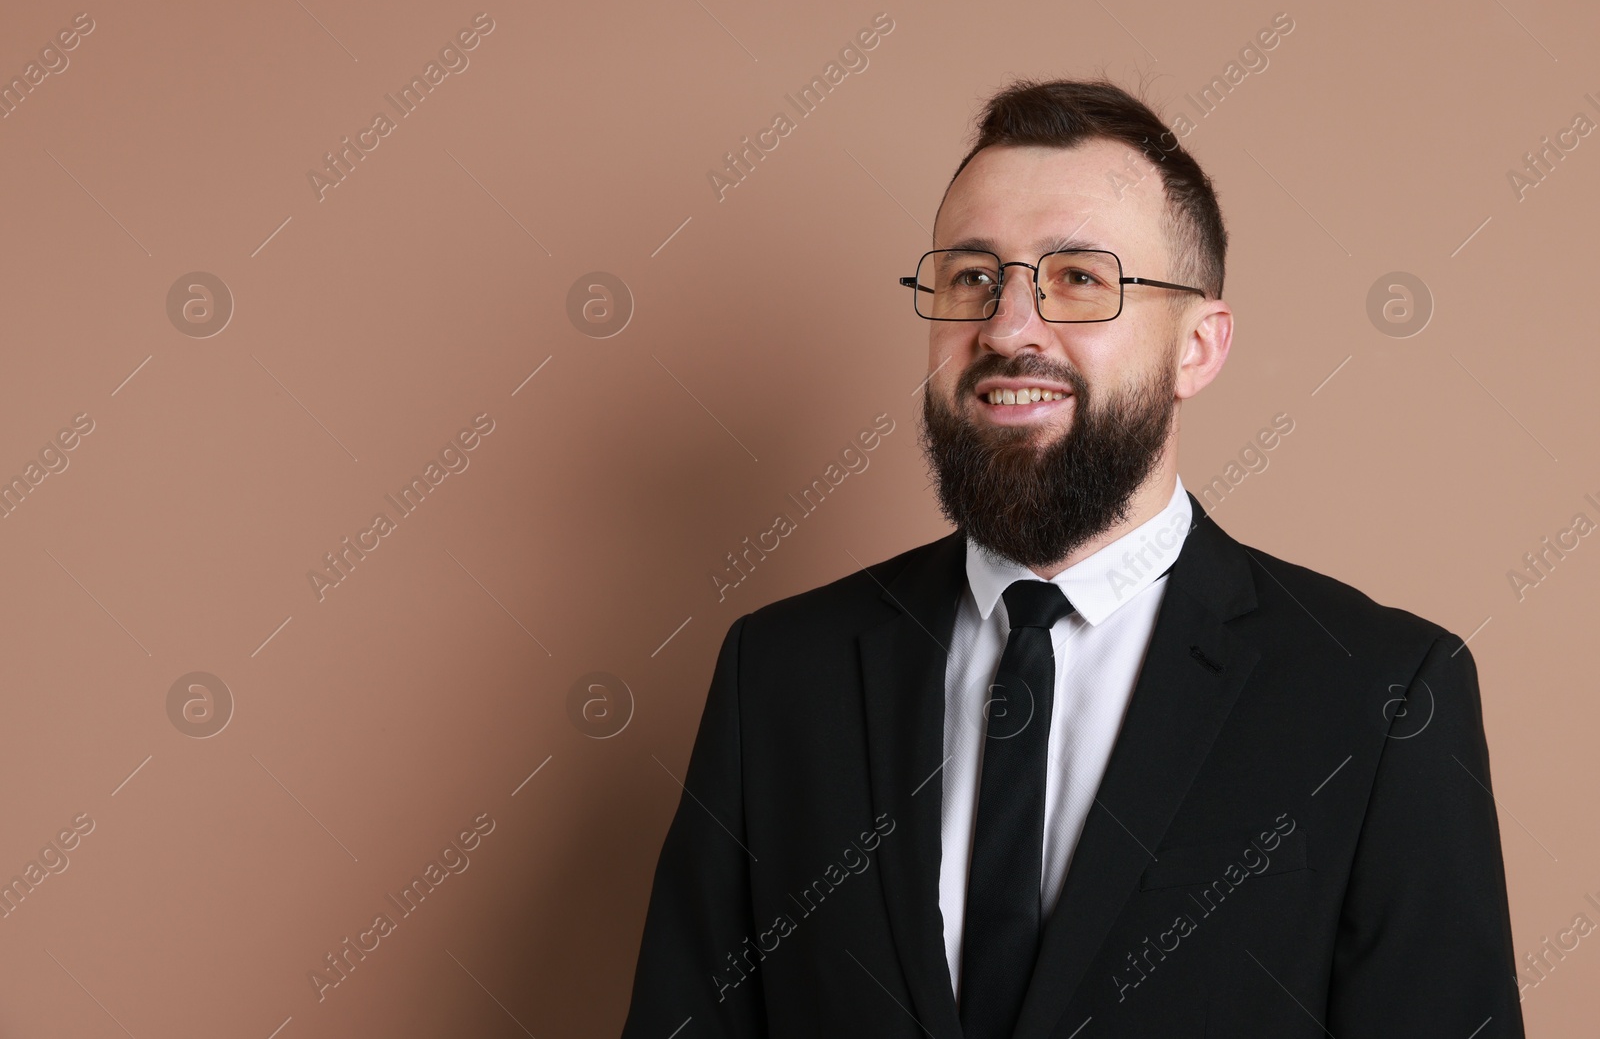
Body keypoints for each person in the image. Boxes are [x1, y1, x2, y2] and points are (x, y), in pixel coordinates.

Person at [620, 78, 1523, 1038]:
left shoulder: (1381, 697)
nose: (1008, 328)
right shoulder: (779, 677)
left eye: (1081, 279)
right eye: (972, 277)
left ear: (1199, 347)